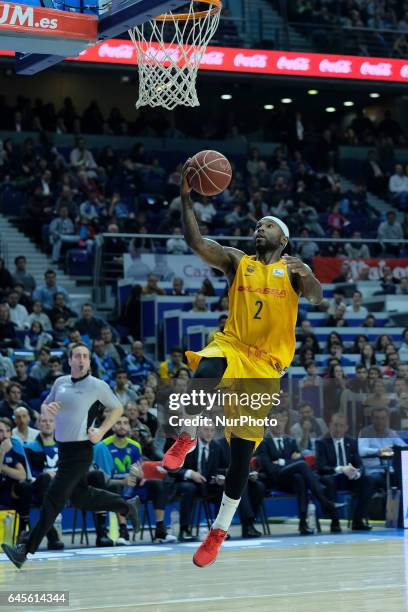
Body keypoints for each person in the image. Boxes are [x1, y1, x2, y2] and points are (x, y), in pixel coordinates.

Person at [162, 161, 325, 567]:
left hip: (266, 368)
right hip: (233, 344)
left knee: (239, 454)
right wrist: (186, 197)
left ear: (283, 238)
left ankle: (218, 530)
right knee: (206, 367)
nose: (259, 228)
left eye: (267, 225)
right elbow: (196, 240)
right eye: (257, 224)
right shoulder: (238, 261)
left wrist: (307, 274)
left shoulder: (291, 271)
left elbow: (320, 298)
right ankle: (186, 435)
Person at [1, 343, 140, 569]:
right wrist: (48, 411)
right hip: (63, 450)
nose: (82, 359)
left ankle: (24, 551)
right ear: (70, 360)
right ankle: (126, 506)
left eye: (85, 356)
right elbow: (45, 408)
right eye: (77, 355)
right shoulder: (60, 382)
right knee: (79, 498)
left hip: (81, 450)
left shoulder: (97, 385)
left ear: (88, 361)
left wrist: (102, 431)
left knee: (52, 499)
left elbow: (117, 409)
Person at [316, 413, 375, 533]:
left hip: (349, 478)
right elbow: (321, 467)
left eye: (341, 426)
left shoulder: (351, 442)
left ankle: (358, 521)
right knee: (329, 481)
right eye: (335, 425)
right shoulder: (321, 442)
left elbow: (359, 464)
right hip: (331, 477)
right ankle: (335, 522)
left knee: (369, 480)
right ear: (330, 425)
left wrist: (356, 473)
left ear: (346, 427)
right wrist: (341, 469)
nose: (338, 429)